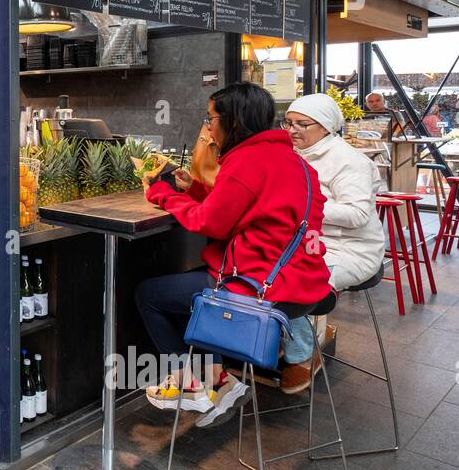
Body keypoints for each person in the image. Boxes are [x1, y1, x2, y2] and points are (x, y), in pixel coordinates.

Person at [136, 82, 333, 425]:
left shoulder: (246, 160)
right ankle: (217, 378)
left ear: (233, 121)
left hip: (259, 287)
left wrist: (163, 194)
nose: (208, 127)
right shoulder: (292, 160)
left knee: (150, 295)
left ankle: (190, 384)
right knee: (194, 289)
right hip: (304, 284)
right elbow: (245, 206)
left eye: (210, 118)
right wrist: (195, 188)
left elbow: (209, 223)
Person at [283, 93, 386, 385]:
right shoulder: (296, 154)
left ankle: (302, 352)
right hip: (310, 241)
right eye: (289, 123)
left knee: (294, 282)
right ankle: (281, 339)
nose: (293, 130)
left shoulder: (348, 161)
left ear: (326, 126)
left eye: (302, 124)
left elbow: (356, 215)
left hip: (352, 250)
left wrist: (301, 205)